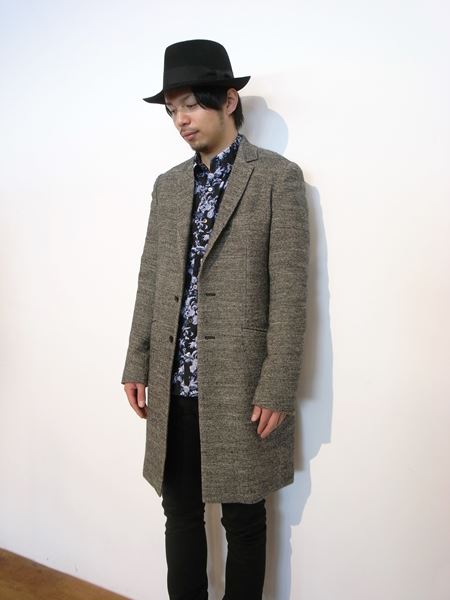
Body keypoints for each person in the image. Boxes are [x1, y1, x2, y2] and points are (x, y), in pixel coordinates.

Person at [121, 38, 309, 600]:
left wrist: (276, 385)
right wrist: (137, 361)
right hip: (175, 382)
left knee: (244, 520)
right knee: (178, 514)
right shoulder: (168, 186)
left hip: (241, 385)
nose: (181, 119)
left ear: (228, 100)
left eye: (191, 105)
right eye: (172, 109)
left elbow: (290, 291)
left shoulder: (276, 178)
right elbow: (151, 279)